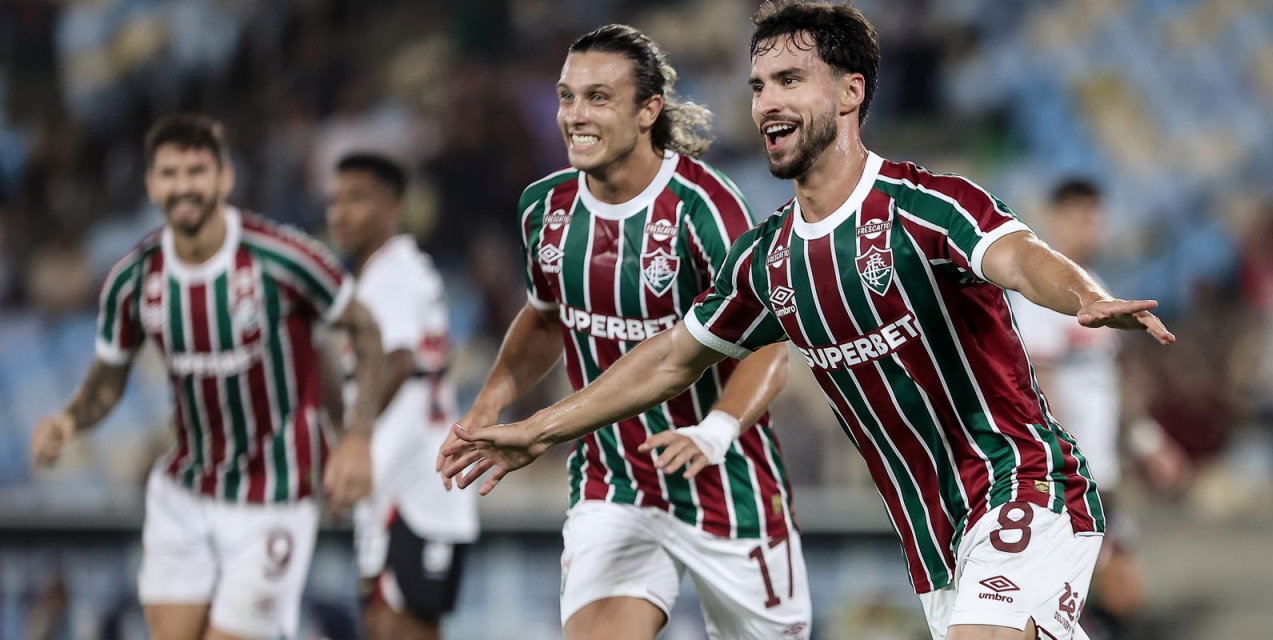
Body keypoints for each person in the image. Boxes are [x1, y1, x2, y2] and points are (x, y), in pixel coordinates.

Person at [440, 4, 1176, 640]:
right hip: (932, 532)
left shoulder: (922, 206)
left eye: (790, 81)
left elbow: (1016, 256)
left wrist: (1078, 293)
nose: (765, 102)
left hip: (1023, 483)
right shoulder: (768, 260)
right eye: (758, 85)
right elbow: (670, 360)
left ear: (851, 92)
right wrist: (539, 429)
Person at [437, 24, 811, 640]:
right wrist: (487, 403)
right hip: (613, 481)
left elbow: (768, 344)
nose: (575, 116)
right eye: (566, 96)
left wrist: (715, 430)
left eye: (598, 98)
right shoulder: (545, 208)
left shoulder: (706, 208)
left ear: (648, 110)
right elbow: (545, 315)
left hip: (727, 481)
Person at [29, 113, 383, 640]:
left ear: (225, 177)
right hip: (186, 492)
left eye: (197, 171)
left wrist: (356, 437)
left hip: (275, 493)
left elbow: (366, 329)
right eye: (169, 174)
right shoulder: (134, 279)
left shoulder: (282, 257)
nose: (183, 186)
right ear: (151, 184)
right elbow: (108, 378)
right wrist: (70, 419)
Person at [1009, 179, 1189, 639]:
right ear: (1054, 217)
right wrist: (1065, 467)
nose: (1091, 226)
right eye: (1079, 215)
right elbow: (1037, 387)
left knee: (1115, 594)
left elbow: (1112, 385)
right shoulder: (1041, 294)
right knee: (1088, 595)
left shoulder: (1098, 289)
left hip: (1100, 474)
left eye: (1096, 215)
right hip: (1067, 476)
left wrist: (1150, 443)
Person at [326, 152, 477, 640]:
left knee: (397, 626)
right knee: (386, 621)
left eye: (357, 199)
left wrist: (354, 441)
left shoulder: (390, 277)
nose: (340, 213)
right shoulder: (405, 271)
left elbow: (396, 360)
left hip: (413, 490)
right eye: (335, 200)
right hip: (407, 487)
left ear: (393, 207)